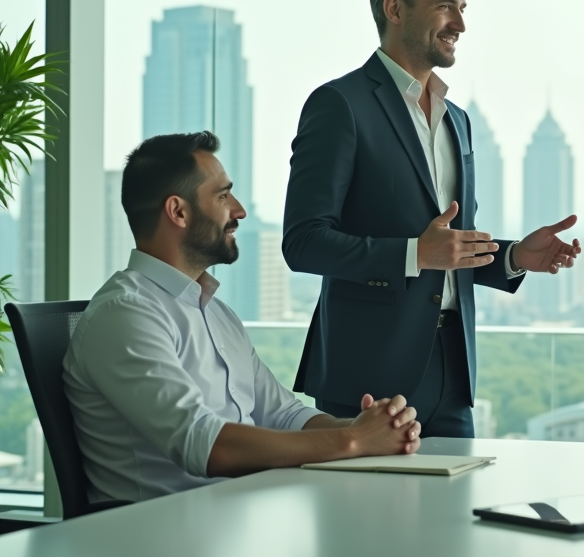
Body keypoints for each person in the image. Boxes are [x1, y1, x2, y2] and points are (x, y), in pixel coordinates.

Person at [283, 0, 581, 439]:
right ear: (395, 9)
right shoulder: (340, 105)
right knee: (364, 518)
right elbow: (303, 242)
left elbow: (449, 249)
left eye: (462, 10)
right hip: (367, 380)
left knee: (453, 517)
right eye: (446, 7)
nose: (460, 25)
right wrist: (414, 254)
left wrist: (513, 257)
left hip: (453, 375)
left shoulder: (457, 120)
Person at [64, 133, 422, 504]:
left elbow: (284, 415)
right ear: (178, 212)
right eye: (222, 196)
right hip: (161, 536)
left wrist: (373, 427)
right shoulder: (126, 314)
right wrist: (353, 441)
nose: (239, 210)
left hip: (238, 514)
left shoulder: (215, 312)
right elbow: (204, 445)